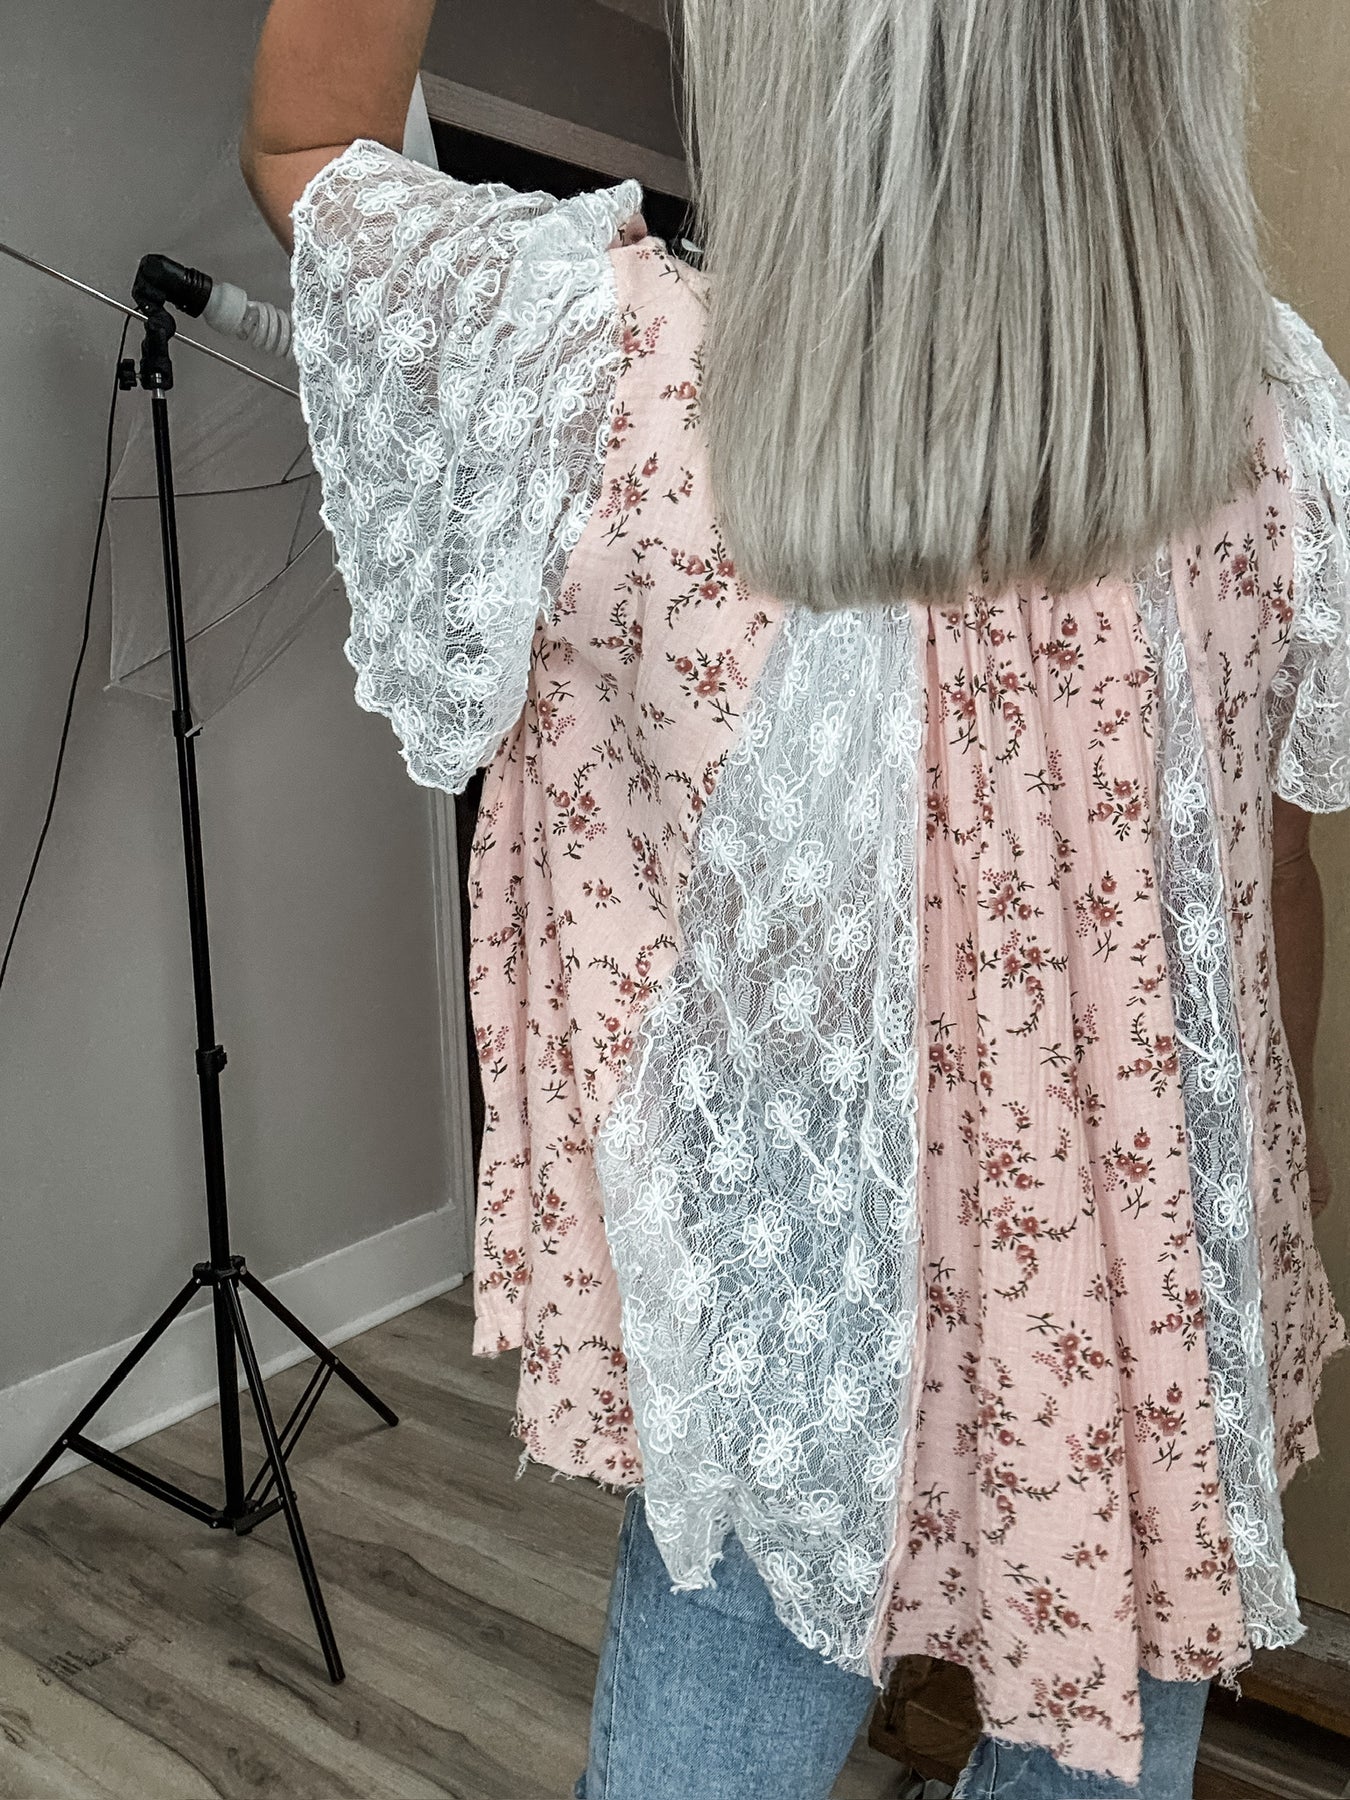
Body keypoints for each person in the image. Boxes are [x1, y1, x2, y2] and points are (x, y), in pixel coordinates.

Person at [242, 3, 1349, 1795]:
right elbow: (1263, 894)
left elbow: (309, 152)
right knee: (1105, 1719)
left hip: (793, 1305)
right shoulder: (1274, 430)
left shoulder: (613, 380)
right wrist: (1241, 1233)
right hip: (1133, 1300)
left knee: (722, 1712)